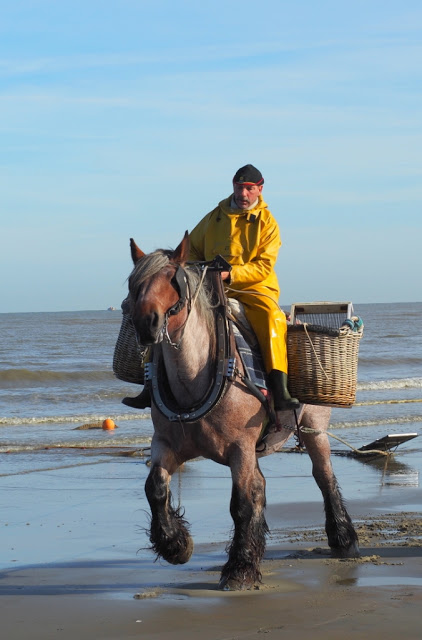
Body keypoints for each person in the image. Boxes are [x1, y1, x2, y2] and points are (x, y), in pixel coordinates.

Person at [123, 164, 299, 415]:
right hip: (211, 287)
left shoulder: (268, 224)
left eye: (250, 189)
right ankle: (150, 385)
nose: (244, 194)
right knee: (168, 318)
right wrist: (196, 273)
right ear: (233, 186)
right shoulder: (214, 217)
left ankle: (279, 390)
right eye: (239, 188)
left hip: (255, 290)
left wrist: (232, 274)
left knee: (272, 320)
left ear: (260, 189)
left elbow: (264, 266)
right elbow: (191, 250)